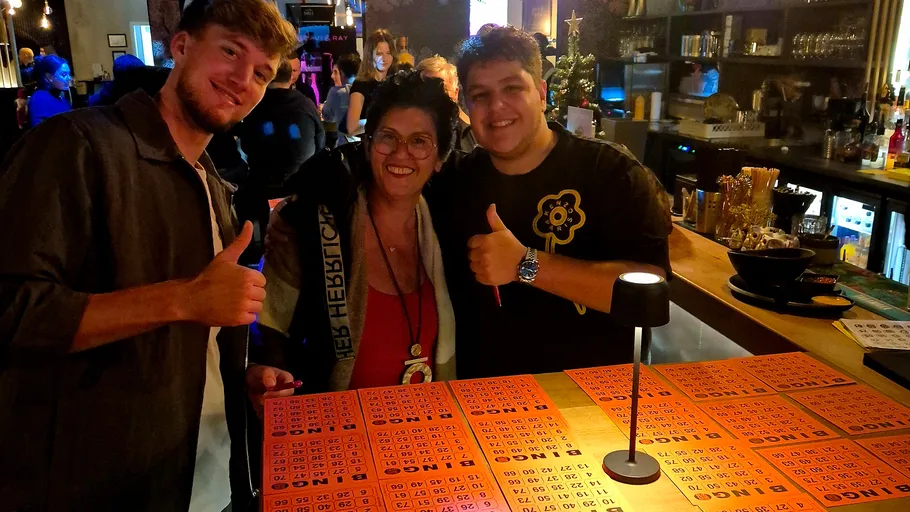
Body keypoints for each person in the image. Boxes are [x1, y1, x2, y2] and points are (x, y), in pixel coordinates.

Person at [0, 1, 298, 511]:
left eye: (262, 73)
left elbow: (187, 336)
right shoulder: (75, 146)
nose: (242, 79)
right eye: (230, 50)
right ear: (180, 46)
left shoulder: (212, 181)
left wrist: (233, 379)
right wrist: (182, 299)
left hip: (212, 482)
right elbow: (12, 312)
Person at [427, 26, 672, 378]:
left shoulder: (610, 172)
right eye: (480, 95)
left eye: (512, 88)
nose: (497, 107)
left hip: (594, 405)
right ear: (466, 106)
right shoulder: (453, 181)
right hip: (484, 403)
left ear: (542, 94)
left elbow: (651, 290)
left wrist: (526, 264)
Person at [254, 70, 459, 396]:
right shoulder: (320, 221)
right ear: (368, 144)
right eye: (388, 136)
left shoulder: (450, 228)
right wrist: (267, 375)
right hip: (339, 430)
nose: (400, 153)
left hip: (430, 431)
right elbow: (269, 323)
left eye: (419, 141)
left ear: (440, 157)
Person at [235, 57, 325, 260]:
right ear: (291, 77)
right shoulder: (306, 104)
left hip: (260, 187)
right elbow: (320, 144)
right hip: (299, 188)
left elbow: (246, 146)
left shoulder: (254, 105)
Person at [417, 55, 476, 152]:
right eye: (427, 89)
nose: (434, 96)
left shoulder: (473, 132)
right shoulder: (406, 130)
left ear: (455, 93)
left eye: (441, 88)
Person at [346, 29, 396, 136]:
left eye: (388, 53)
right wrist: (382, 122)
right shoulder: (361, 85)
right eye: (379, 53)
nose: (384, 58)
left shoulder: (396, 83)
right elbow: (352, 127)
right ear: (370, 55)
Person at [323, 53, 360, 146]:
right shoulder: (366, 89)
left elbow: (327, 116)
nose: (332, 76)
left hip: (346, 147)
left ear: (342, 74)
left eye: (335, 72)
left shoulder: (338, 93)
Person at [27, 54, 72, 126]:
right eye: (64, 75)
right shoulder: (39, 99)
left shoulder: (61, 98)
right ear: (49, 77)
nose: (69, 78)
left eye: (69, 74)